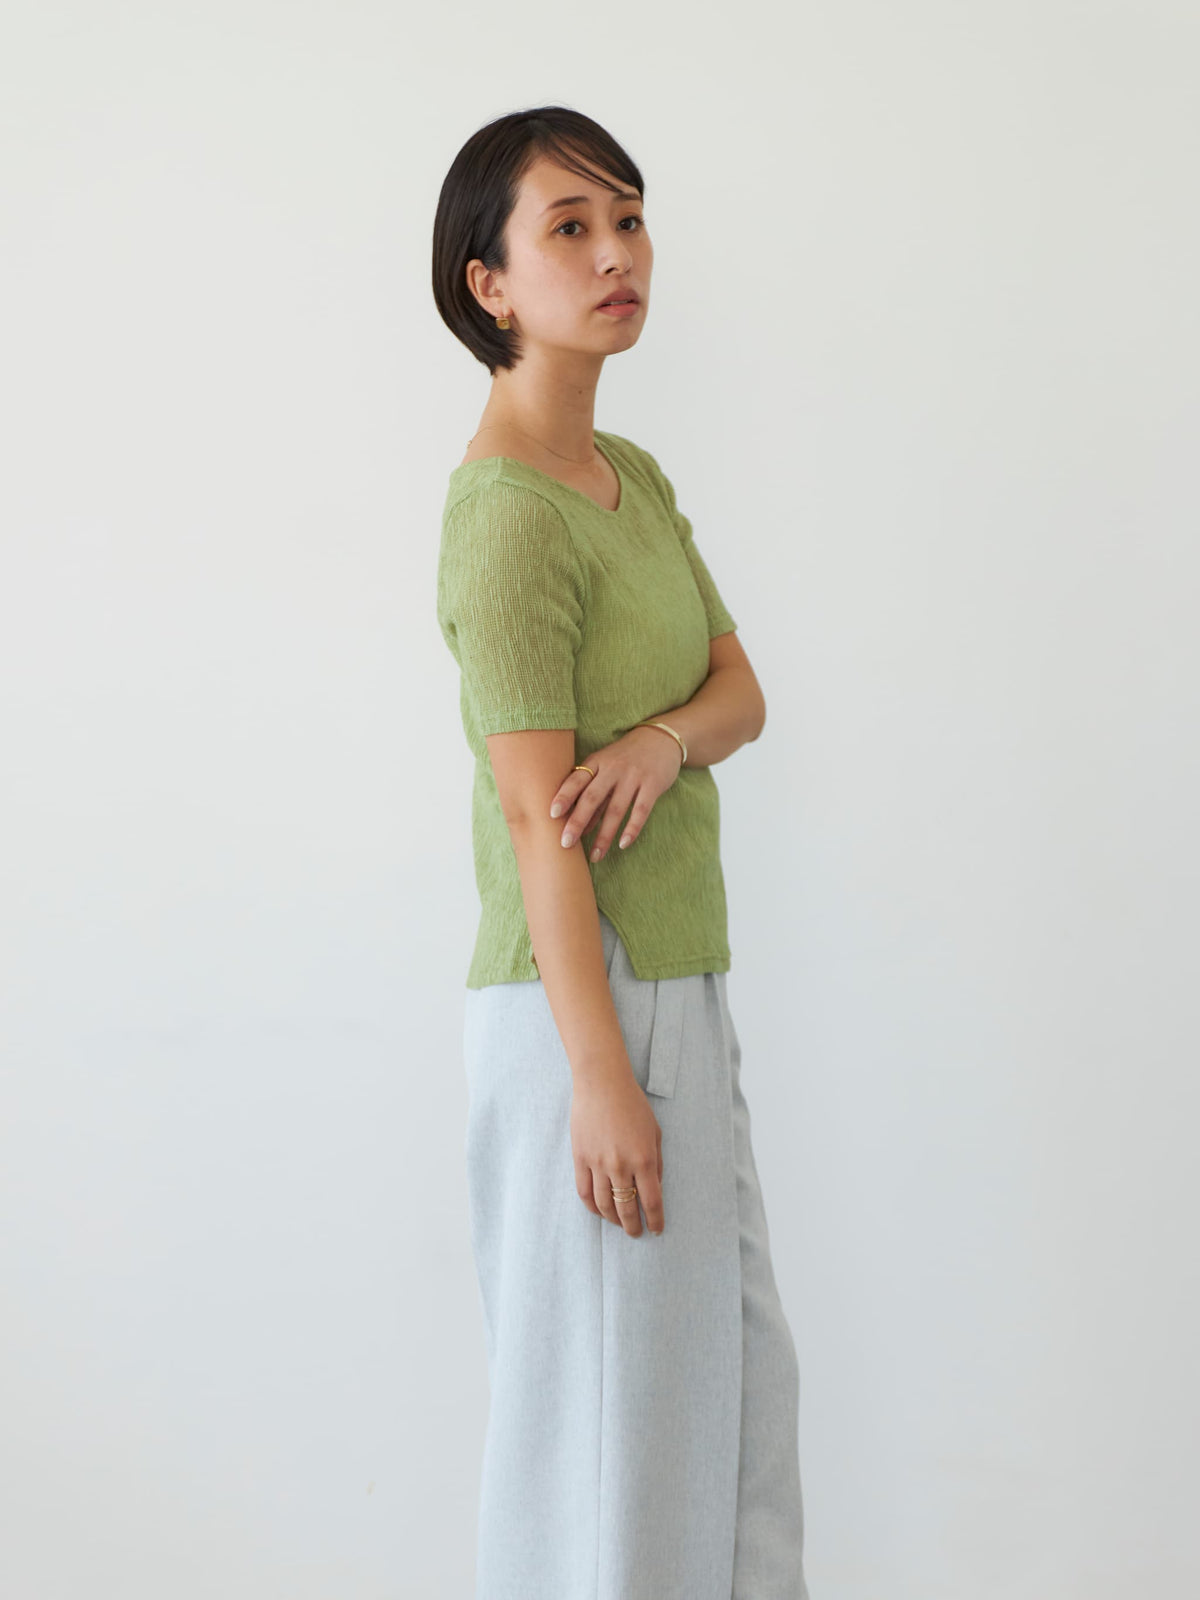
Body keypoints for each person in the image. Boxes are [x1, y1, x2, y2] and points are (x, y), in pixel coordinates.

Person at [432, 104, 812, 1600]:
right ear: (490, 284)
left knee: (733, 1411)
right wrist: (599, 1077)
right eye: (571, 227)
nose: (617, 255)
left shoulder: (627, 477)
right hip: (580, 1005)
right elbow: (537, 816)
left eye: (630, 219)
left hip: (678, 985)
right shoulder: (506, 517)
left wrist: (661, 740)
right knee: (607, 1446)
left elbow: (740, 693)